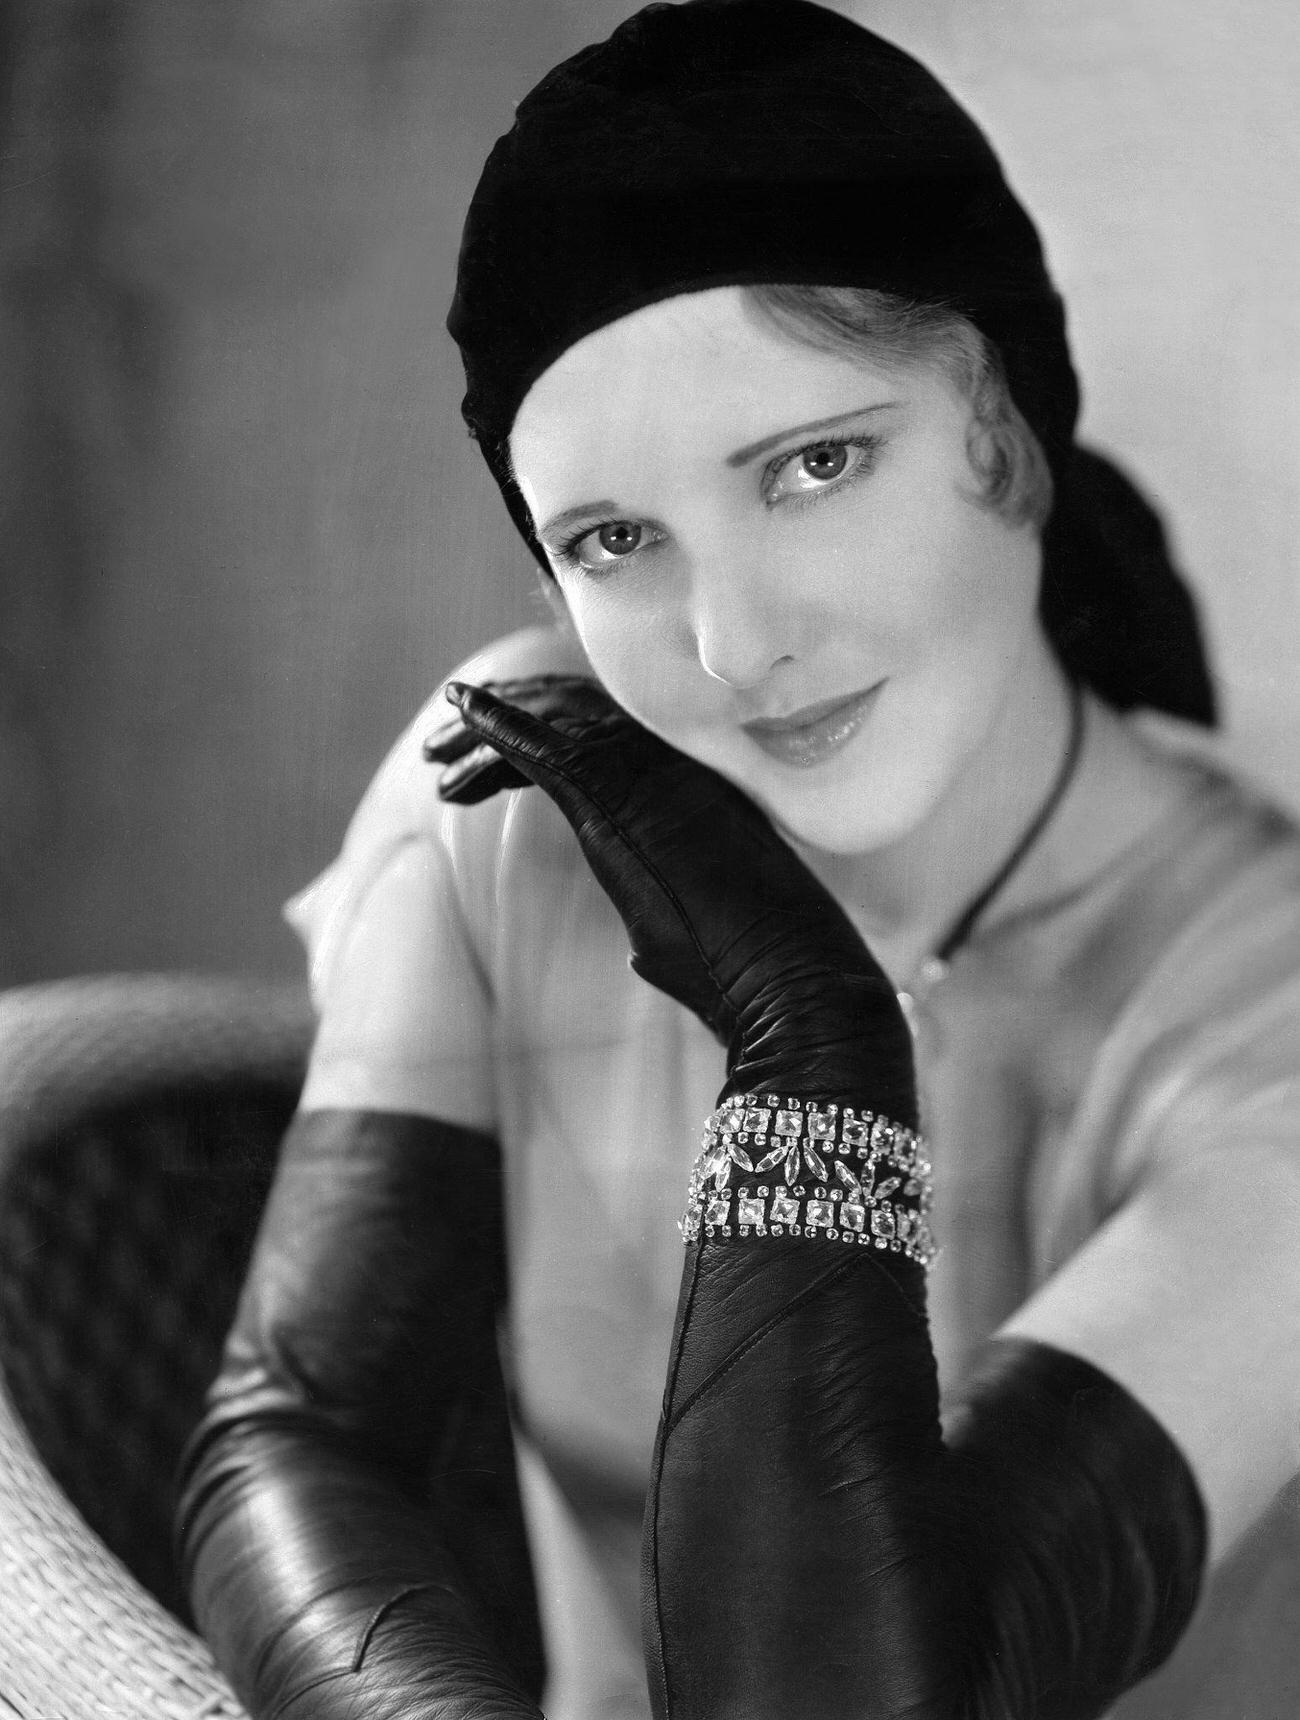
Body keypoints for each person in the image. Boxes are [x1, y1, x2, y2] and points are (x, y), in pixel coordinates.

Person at [175, 4, 1300, 1717]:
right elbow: (295, 1432)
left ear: (1009, 422)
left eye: (816, 465)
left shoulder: (1267, 998)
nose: (731, 644)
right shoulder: (511, 785)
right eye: (616, 542)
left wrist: (809, 1037)